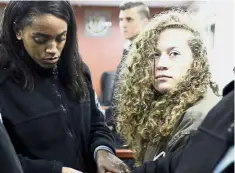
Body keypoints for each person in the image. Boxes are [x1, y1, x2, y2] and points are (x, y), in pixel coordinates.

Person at [0, 1, 129, 173]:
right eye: (40, 39)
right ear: (18, 31)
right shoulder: (4, 84)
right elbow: (5, 160)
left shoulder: (79, 72)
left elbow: (97, 124)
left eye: (61, 38)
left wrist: (103, 150)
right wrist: (55, 171)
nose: (53, 49)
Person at [113, 9, 220, 166]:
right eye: (155, 55)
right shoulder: (164, 106)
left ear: (195, 62)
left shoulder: (196, 119)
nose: (161, 64)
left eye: (174, 54)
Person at [131, 80, 234, 173]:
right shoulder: (227, 106)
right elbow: (184, 159)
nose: (161, 64)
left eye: (174, 57)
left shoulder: (195, 115)